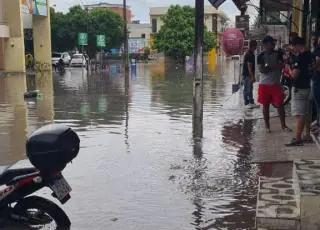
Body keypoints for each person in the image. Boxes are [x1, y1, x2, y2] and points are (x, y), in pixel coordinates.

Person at [257, 35, 291, 133]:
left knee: (280, 105)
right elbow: (262, 69)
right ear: (266, 44)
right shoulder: (261, 56)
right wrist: (274, 66)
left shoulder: (278, 53)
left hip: (276, 84)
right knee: (265, 106)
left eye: (273, 43)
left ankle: (283, 126)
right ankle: (267, 127)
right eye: (271, 43)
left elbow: (283, 64)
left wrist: (271, 66)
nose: (273, 44)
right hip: (264, 85)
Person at [285, 36, 313, 146]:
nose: (292, 48)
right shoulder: (310, 54)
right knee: (306, 112)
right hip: (308, 86)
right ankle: (307, 135)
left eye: (293, 46)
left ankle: (297, 138)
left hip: (299, 88)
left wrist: (288, 68)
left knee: (299, 114)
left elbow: (294, 75)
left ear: (297, 45)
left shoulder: (300, 58)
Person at [242, 40, 259, 109]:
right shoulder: (249, 54)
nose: (256, 48)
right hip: (248, 74)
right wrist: (252, 76)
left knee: (247, 88)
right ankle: (250, 103)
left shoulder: (249, 53)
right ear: (254, 46)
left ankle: (247, 103)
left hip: (246, 74)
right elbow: (249, 66)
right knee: (249, 88)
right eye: (256, 46)